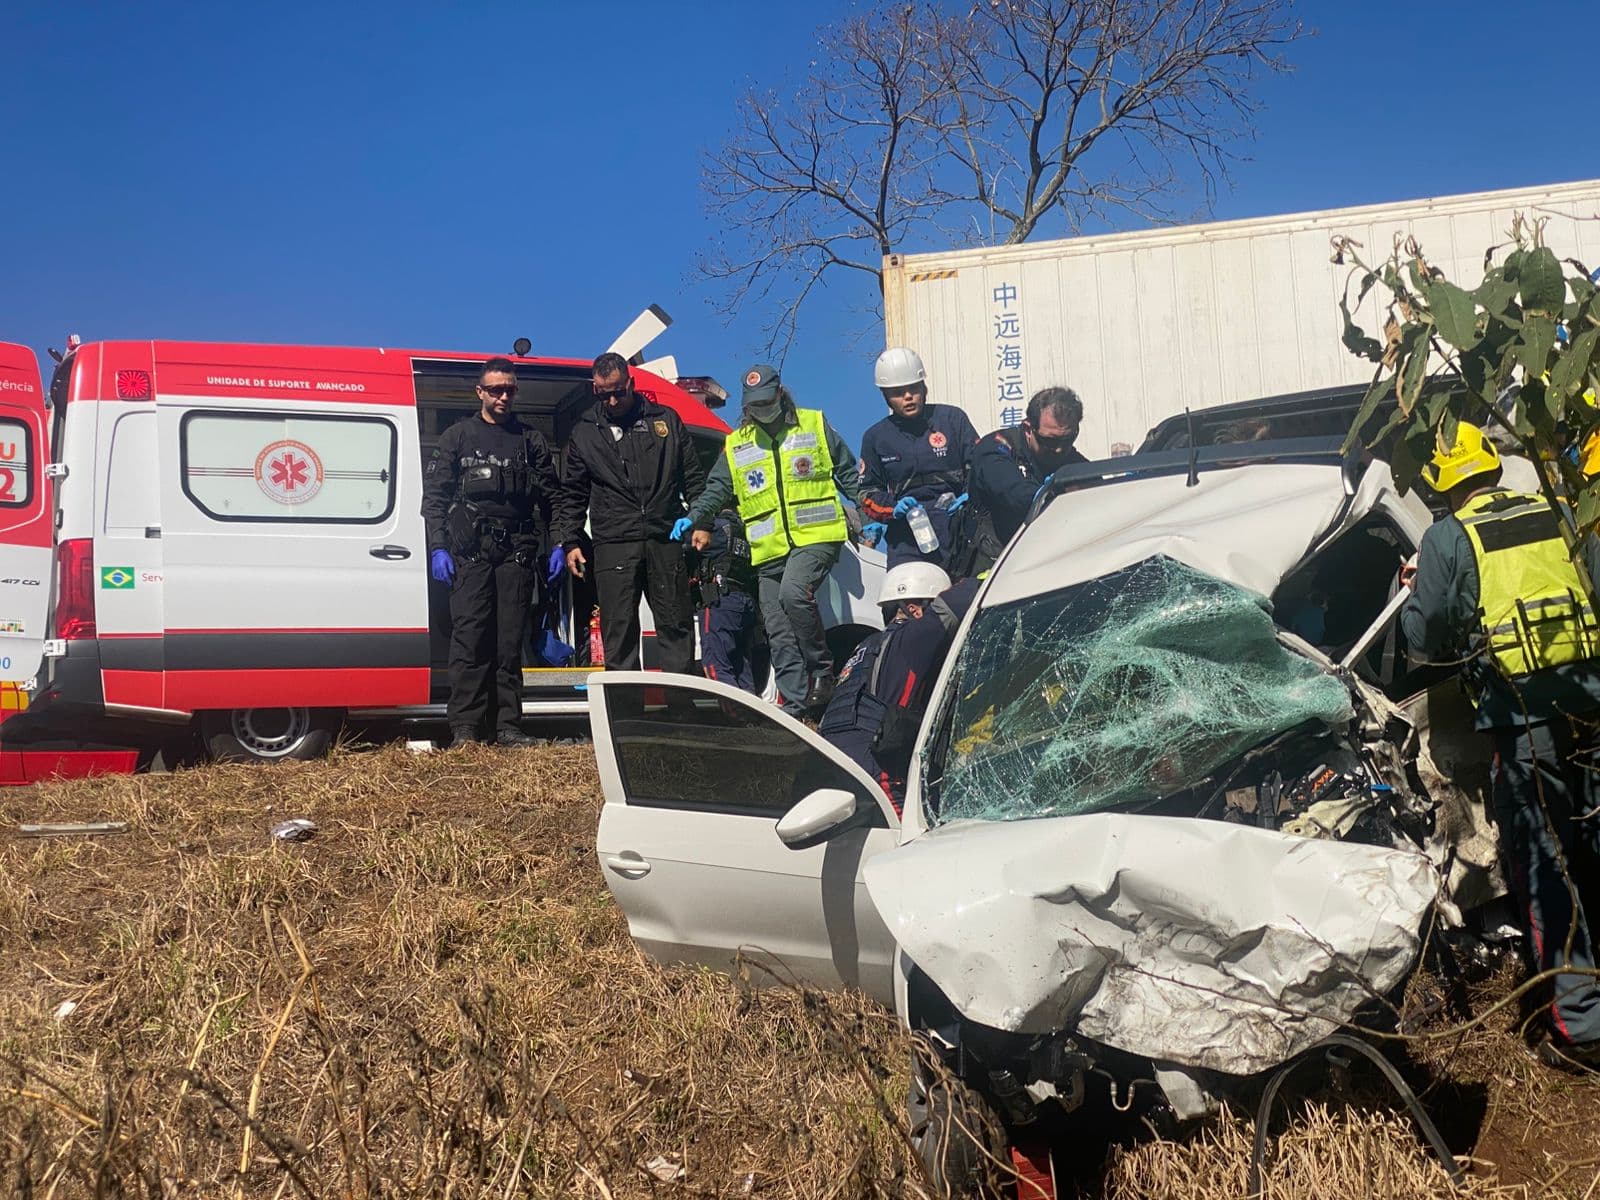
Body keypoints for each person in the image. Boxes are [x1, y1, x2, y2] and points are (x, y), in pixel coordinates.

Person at [1400, 421, 1600, 1070]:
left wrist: (1416, 591)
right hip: (1591, 704)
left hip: (1525, 725)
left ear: (1441, 484)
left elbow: (1425, 640)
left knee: (1545, 870)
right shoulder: (1559, 509)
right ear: (1490, 465)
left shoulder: (1449, 538)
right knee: (1592, 850)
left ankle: (1584, 1032)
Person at [683, 364, 861, 715]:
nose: (761, 410)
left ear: (780, 394)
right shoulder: (737, 444)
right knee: (777, 629)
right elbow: (717, 488)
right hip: (769, 549)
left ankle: (821, 670)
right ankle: (795, 708)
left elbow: (848, 474)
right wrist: (694, 517)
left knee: (794, 593)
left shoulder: (813, 424)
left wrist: (869, 514)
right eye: (754, 405)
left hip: (816, 536)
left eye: (767, 401)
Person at [422, 357, 560, 748]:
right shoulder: (458, 436)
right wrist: (438, 548)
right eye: (495, 389)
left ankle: (508, 727)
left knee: (508, 643)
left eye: (509, 389)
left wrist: (561, 542)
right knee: (469, 642)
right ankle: (465, 729)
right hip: (471, 555)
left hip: (517, 553)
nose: (503, 396)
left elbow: (553, 497)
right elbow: (434, 498)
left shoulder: (530, 440)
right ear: (480, 392)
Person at [554, 352, 705, 673]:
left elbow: (693, 477)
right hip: (613, 543)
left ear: (631, 384)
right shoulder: (585, 431)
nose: (611, 400)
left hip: (664, 537)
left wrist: (701, 522)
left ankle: (680, 713)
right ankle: (624, 717)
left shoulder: (665, 420)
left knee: (676, 625)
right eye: (603, 393)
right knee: (618, 631)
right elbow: (573, 493)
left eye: (618, 392)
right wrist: (571, 541)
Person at [819, 563, 979, 811]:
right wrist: (993, 571)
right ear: (914, 609)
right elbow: (960, 600)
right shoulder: (912, 638)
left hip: (830, 759)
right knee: (909, 839)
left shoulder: (867, 645)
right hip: (876, 764)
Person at [858, 347, 979, 570]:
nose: (907, 396)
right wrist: (893, 508)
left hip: (960, 526)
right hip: (907, 535)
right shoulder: (876, 437)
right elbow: (867, 493)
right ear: (885, 396)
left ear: (924, 386)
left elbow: (980, 467)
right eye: (897, 392)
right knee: (905, 601)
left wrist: (972, 497)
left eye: (913, 388)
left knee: (965, 598)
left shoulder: (952, 419)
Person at [962, 386, 1088, 575]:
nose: (1059, 450)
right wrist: (1050, 493)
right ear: (1029, 428)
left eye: (1068, 439)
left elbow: (1094, 488)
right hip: (992, 562)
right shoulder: (995, 449)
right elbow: (1012, 492)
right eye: (1050, 442)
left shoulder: (1070, 457)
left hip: (1046, 558)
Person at [692, 507, 760, 693]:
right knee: (741, 666)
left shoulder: (714, 528)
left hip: (720, 601)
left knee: (715, 667)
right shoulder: (747, 530)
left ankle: (736, 718)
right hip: (745, 602)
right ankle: (752, 718)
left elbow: (687, 543)